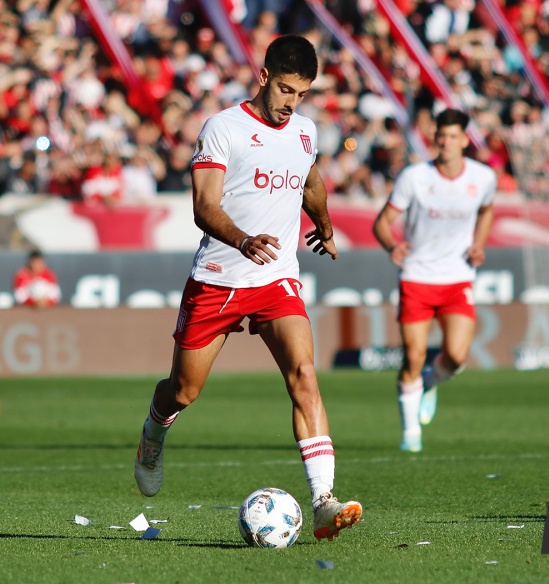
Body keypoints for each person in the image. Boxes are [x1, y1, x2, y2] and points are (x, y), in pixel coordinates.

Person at [134, 34, 362, 542]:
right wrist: (240, 239)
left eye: (301, 94)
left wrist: (324, 226)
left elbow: (311, 179)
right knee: (184, 391)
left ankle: (323, 500)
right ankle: (153, 431)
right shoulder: (224, 128)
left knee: (305, 374)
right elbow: (203, 206)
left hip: (276, 278)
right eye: (285, 90)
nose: (291, 104)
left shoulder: (304, 131)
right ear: (263, 77)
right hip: (218, 278)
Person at [372, 108, 496, 452]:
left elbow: (487, 209)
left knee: (456, 357)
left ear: (464, 140)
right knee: (413, 355)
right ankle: (410, 434)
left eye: (453, 136)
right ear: (435, 138)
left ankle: (430, 381)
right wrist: (392, 245)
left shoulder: (483, 177)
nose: (446, 142)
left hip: (457, 278)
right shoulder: (415, 177)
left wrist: (479, 243)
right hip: (417, 276)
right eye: (441, 136)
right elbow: (382, 222)